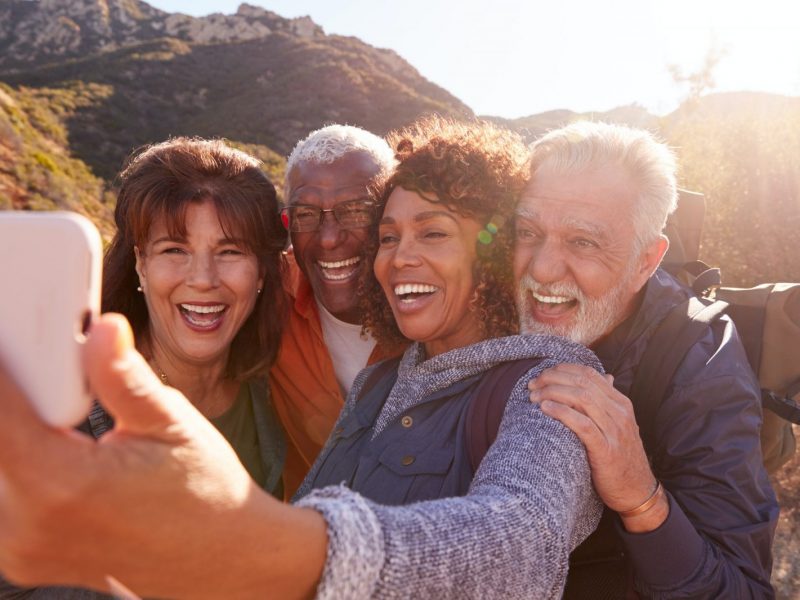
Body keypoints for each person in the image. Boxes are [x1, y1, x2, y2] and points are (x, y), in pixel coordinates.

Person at [0, 118, 601, 599]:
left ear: (490, 246)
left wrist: (262, 545)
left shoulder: (550, 380)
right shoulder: (381, 380)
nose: (398, 257)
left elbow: (525, 540)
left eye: (433, 232)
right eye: (388, 236)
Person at [0, 138, 289, 598]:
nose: (203, 278)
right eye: (174, 249)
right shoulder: (61, 408)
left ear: (261, 273)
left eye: (230, 251)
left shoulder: (277, 396)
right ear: (139, 263)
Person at [514, 121, 778, 597]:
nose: (541, 269)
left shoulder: (699, 365)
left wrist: (641, 497)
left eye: (584, 242)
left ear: (645, 262)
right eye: (527, 231)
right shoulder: (487, 305)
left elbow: (744, 588)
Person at [269, 125, 398, 495]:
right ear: (287, 224)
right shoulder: (266, 298)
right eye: (306, 214)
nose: (328, 238)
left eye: (356, 211)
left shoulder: (439, 309)